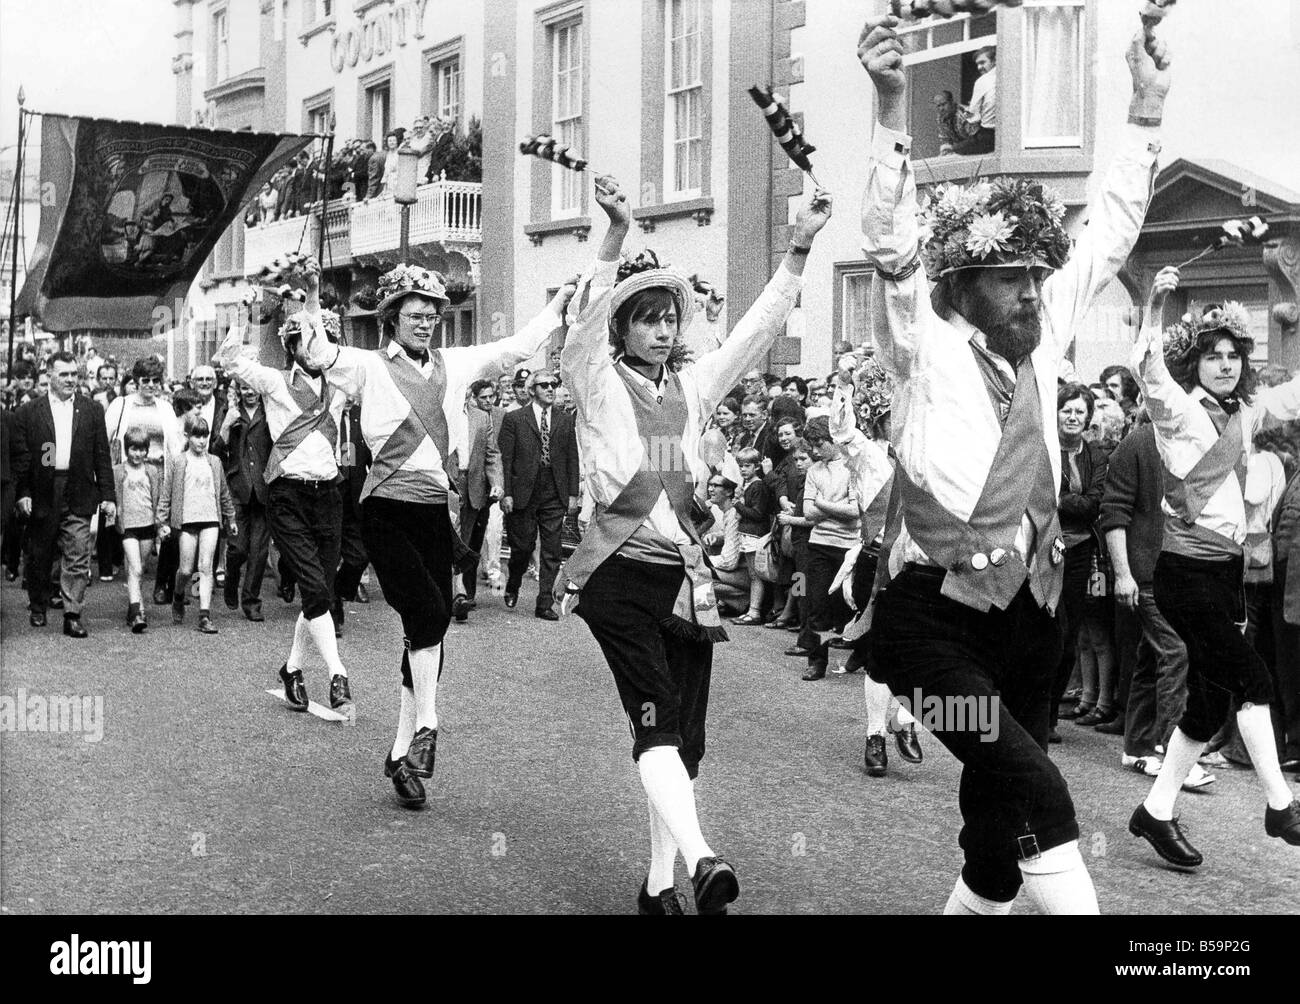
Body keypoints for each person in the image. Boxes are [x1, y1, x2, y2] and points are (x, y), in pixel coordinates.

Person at [857, 11, 1171, 914]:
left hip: (1033, 624)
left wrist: (1146, 112)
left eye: (1038, 275)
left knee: (998, 841)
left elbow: (1112, 229)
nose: (1033, 291)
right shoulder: (923, 344)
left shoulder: (1046, 334)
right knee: (1039, 789)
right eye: (1011, 277)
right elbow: (890, 241)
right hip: (928, 634)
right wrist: (889, 107)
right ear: (964, 286)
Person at [558, 172, 832, 915]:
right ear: (623, 328)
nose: (661, 330)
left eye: (668, 319)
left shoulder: (693, 387)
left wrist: (799, 248)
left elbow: (755, 333)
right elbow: (581, 324)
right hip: (617, 575)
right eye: (645, 319)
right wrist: (615, 235)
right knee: (653, 715)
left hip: (684, 580)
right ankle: (703, 858)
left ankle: (658, 887)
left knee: (685, 741)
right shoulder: (594, 381)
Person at [296, 259, 575, 809]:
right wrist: (310, 298)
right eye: (415, 315)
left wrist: (559, 304)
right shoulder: (367, 366)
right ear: (392, 319)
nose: (425, 324)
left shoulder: (457, 363)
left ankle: (402, 754)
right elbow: (318, 353)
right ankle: (428, 723)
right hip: (384, 510)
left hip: (432, 512)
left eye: (432, 315)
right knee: (428, 613)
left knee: (431, 623)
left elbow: (516, 348)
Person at [1128, 269, 1300, 866]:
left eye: (1233, 356)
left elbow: (1294, 393)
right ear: (1194, 364)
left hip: (1227, 575)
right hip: (1184, 573)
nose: (1225, 365)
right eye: (1212, 356)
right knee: (1255, 681)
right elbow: (1146, 366)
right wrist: (1153, 304)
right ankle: (1280, 806)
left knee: (1206, 706)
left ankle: (1155, 811)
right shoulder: (1177, 411)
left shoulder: (1245, 414)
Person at [215, 258, 354, 716]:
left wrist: (313, 292)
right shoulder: (274, 382)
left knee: (320, 592)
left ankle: (292, 668)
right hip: (287, 496)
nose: (315, 347)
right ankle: (337, 674)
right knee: (315, 588)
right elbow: (230, 360)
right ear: (291, 346)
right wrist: (247, 314)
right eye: (305, 340)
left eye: (322, 339)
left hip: (328, 495)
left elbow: (321, 333)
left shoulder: (340, 384)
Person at [828, 356, 924, 775]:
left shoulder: (926, 457)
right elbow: (841, 431)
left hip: (920, 566)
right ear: (882, 419)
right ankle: (875, 734)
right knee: (880, 655)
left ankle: (906, 720)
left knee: (921, 651)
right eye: (893, 415)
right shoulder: (868, 455)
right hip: (878, 563)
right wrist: (844, 389)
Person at [1101, 415, 1189, 775]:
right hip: (1146, 573)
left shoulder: (1189, 440)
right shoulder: (1137, 443)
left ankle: (1137, 746)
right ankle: (1175, 753)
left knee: (1151, 658)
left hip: (1176, 571)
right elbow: (1113, 513)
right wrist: (1123, 575)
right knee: (1175, 652)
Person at [11, 351, 116, 637]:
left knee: (78, 552)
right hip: (44, 490)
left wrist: (108, 495)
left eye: (74, 374)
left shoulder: (91, 410)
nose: (71, 380)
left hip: (79, 488)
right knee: (40, 554)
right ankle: (38, 604)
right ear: (49, 376)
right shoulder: (29, 412)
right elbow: (22, 460)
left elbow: (102, 456)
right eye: (64, 375)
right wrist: (23, 493)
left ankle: (72, 614)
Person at [1049, 383, 1107, 734]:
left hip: (1081, 550)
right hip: (1044, 547)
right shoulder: (1044, 447)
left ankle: (1050, 716)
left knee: (1069, 635)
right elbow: (1038, 496)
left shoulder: (1095, 455)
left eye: (1079, 412)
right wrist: (1070, 502)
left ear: (1087, 419)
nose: (1072, 417)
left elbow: (1094, 504)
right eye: (1066, 410)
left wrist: (1059, 500)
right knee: (1045, 629)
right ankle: (1032, 710)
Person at [499, 369, 580, 619]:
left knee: (552, 550)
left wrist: (572, 495)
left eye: (553, 384)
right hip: (523, 491)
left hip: (554, 490)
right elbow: (505, 460)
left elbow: (572, 458)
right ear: (532, 390)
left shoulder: (564, 420)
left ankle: (544, 603)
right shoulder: (514, 419)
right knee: (522, 547)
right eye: (544, 385)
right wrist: (506, 493)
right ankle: (513, 582)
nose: (550, 389)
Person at [105, 357, 183, 603]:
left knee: (163, 530)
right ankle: (135, 595)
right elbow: (105, 439)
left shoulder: (165, 408)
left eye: (155, 381)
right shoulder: (121, 405)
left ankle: (159, 583)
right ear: (136, 381)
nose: (151, 385)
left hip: (159, 476)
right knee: (132, 530)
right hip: (130, 477)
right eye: (145, 380)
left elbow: (176, 446)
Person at [157, 413, 236, 634]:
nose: (201, 441)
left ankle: (204, 615)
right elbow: (166, 494)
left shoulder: (215, 462)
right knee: (185, 570)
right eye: (196, 436)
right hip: (186, 521)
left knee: (205, 567)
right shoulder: (179, 461)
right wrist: (161, 521)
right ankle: (178, 595)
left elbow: (223, 493)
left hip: (210, 519)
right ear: (187, 436)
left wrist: (230, 517)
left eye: (205, 436)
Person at [218, 377, 273, 621]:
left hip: (263, 488)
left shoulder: (270, 412)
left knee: (259, 551)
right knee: (238, 548)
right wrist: (226, 426)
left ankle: (251, 601)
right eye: (244, 387)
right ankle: (231, 578)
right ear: (238, 390)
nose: (249, 392)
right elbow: (216, 450)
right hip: (237, 488)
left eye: (253, 387)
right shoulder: (229, 412)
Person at [450, 379, 503, 621]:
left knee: (465, 541)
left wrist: (497, 482)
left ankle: (460, 595)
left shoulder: (481, 418)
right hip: (446, 484)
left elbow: (492, 453)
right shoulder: (441, 414)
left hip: (473, 486)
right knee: (449, 537)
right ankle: (454, 593)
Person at [113, 427, 163, 633]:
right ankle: (137, 613)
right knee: (135, 567)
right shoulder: (118, 471)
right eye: (133, 449)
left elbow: (158, 498)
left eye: (142, 450)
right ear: (127, 449)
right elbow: (113, 497)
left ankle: (133, 604)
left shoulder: (152, 471)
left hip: (147, 525)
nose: (138, 454)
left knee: (140, 567)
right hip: (128, 526)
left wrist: (160, 524)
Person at [728, 447, 772, 625]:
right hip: (747, 534)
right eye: (741, 466)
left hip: (755, 535)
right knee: (752, 574)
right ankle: (751, 609)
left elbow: (758, 513)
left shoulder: (758, 486)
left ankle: (754, 612)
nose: (743, 469)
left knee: (756, 575)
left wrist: (738, 504)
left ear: (757, 466)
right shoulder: (747, 485)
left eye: (747, 466)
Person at [952, 47, 997, 156]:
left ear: (995, 60)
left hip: (989, 136)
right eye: (977, 64)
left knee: (955, 149)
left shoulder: (983, 81)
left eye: (982, 62)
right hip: (1006, 134)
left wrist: (965, 112)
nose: (979, 67)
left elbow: (973, 116)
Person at [933, 90, 964, 155]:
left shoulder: (964, 115)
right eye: (938, 106)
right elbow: (945, 139)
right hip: (960, 150)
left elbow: (975, 140)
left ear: (951, 102)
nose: (941, 108)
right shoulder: (941, 117)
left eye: (944, 104)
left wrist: (954, 148)